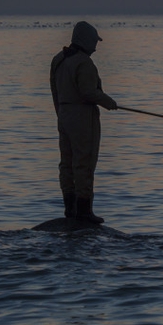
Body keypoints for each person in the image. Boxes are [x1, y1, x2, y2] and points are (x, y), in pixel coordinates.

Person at [50, 21, 118, 224]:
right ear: (86, 40)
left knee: (67, 164)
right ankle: (84, 211)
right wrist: (108, 102)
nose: (96, 47)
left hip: (63, 114)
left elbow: (55, 91)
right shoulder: (84, 63)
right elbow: (88, 92)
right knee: (84, 162)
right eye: (94, 42)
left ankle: (69, 209)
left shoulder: (58, 59)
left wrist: (61, 114)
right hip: (82, 116)